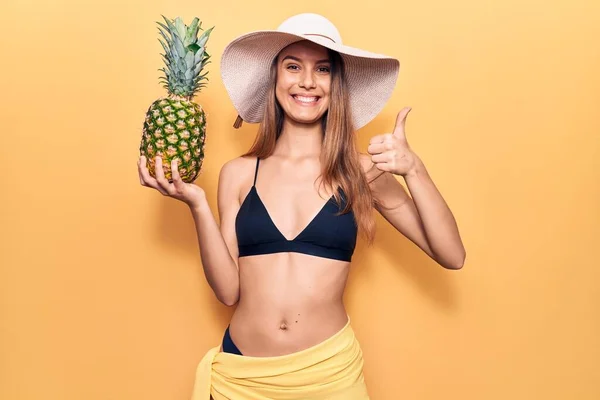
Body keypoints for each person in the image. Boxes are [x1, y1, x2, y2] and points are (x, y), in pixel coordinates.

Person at [138, 12, 465, 400]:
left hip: (329, 377)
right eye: (293, 66)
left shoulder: (362, 172)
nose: (307, 81)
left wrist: (414, 170)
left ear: (336, 85)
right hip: (243, 379)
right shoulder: (239, 174)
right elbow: (228, 292)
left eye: (322, 69)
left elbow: (452, 255)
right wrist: (197, 205)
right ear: (275, 78)